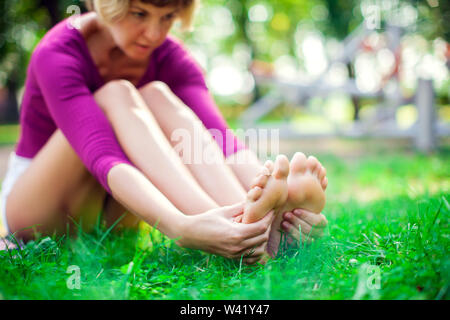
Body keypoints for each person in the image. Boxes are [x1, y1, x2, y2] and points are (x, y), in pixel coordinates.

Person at [0, 0, 328, 264]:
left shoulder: (173, 58)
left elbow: (220, 138)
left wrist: (274, 192)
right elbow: (101, 155)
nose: (152, 33)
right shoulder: (58, 52)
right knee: (117, 94)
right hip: (38, 211)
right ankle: (234, 225)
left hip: (112, 212)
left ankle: (255, 226)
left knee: (157, 93)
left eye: (167, 17)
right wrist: (180, 227)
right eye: (139, 13)